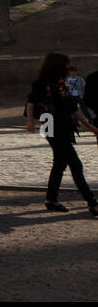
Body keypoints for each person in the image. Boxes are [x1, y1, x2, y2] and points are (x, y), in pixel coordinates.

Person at [26, 53, 98, 215]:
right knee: (75, 164)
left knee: (59, 164)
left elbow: (74, 109)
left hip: (65, 127)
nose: (68, 67)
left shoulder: (62, 84)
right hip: (50, 126)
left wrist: (91, 128)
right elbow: (30, 103)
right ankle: (92, 202)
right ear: (57, 65)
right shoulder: (41, 83)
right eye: (66, 64)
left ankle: (51, 199)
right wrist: (30, 122)